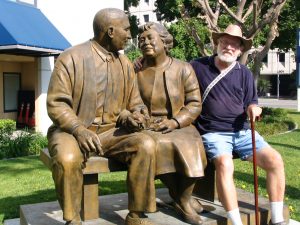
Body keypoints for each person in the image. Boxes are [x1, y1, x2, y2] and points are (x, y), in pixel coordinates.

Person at [47, 8, 157, 225]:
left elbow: (134, 101)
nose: (129, 35)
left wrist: (136, 113)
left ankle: (136, 215)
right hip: (72, 131)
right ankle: (73, 219)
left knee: (145, 144)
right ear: (110, 31)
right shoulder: (71, 58)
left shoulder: (125, 64)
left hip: (111, 133)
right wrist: (78, 129)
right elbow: (57, 104)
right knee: (67, 159)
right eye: (126, 30)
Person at [190, 24, 286, 225]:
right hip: (214, 133)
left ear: (240, 49)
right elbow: (171, 68)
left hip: (242, 132)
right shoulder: (198, 66)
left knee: (275, 160)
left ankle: (277, 220)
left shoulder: (244, 73)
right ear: (217, 43)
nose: (228, 47)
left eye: (234, 45)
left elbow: (252, 102)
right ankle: (236, 222)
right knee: (225, 164)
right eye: (225, 42)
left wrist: (254, 109)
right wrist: (140, 63)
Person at [136, 22, 207, 225]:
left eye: (150, 38)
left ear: (164, 41)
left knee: (192, 146)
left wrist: (176, 122)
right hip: (148, 127)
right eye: (142, 40)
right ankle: (183, 200)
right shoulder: (136, 70)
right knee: (154, 147)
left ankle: (182, 198)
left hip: (178, 124)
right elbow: (129, 100)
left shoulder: (183, 69)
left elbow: (194, 103)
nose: (145, 42)